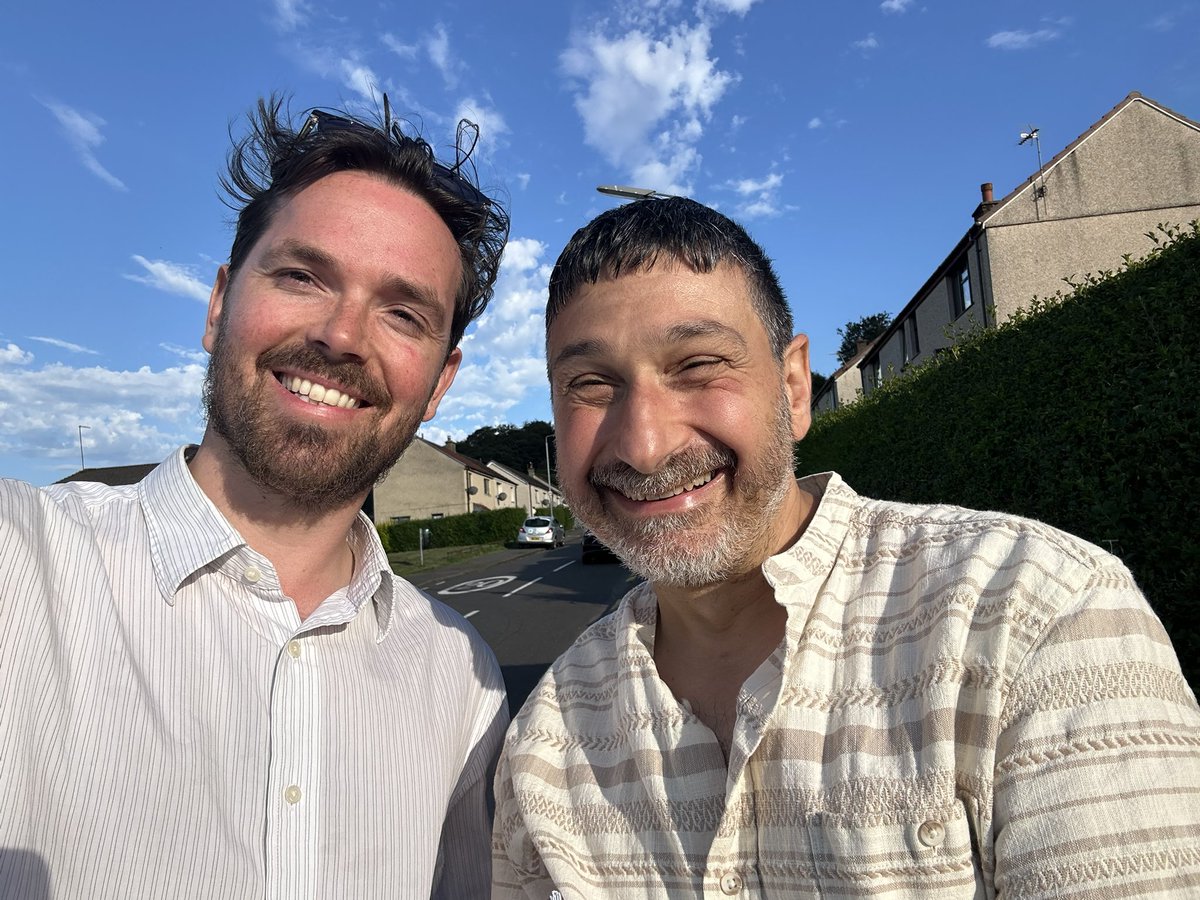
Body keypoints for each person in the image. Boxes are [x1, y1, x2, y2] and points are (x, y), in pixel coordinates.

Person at [492, 197, 1200, 898]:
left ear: (794, 389)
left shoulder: (1033, 616)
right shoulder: (546, 740)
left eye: (699, 365)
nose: (645, 446)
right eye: (590, 385)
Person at [0, 96, 510, 899]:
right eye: (304, 276)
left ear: (442, 382)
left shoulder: (460, 677)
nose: (342, 336)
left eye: (404, 313)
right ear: (218, 304)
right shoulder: (19, 564)